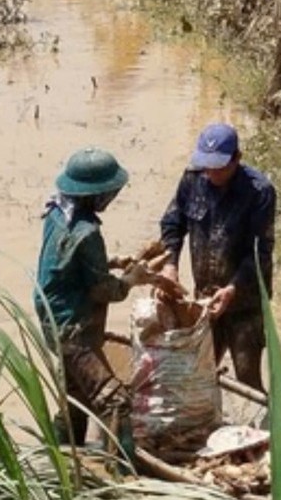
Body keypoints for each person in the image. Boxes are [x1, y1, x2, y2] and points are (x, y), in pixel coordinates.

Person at [35, 147, 179, 459]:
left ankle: (58, 461)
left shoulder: (57, 213)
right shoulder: (87, 232)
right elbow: (103, 291)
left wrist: (112, 261)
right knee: (114, 401)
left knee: (76, 396)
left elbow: (65, 261)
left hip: (53, 319)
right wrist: (132, 279)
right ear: (97, 194)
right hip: (74, 328)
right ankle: (122, 474)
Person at [159, 122, 277, 392]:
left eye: (220, 166)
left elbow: (260, 252)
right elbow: (172, 223)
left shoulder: (259, 192)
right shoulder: (192, 180)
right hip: (205, 299)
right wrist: (170, 264)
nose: (212, 172)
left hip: (244, 304)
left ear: (237, 158)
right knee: (198, 371)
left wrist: (233, 289)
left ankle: (258, 430)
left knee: (247, 378)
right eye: (207, 165)